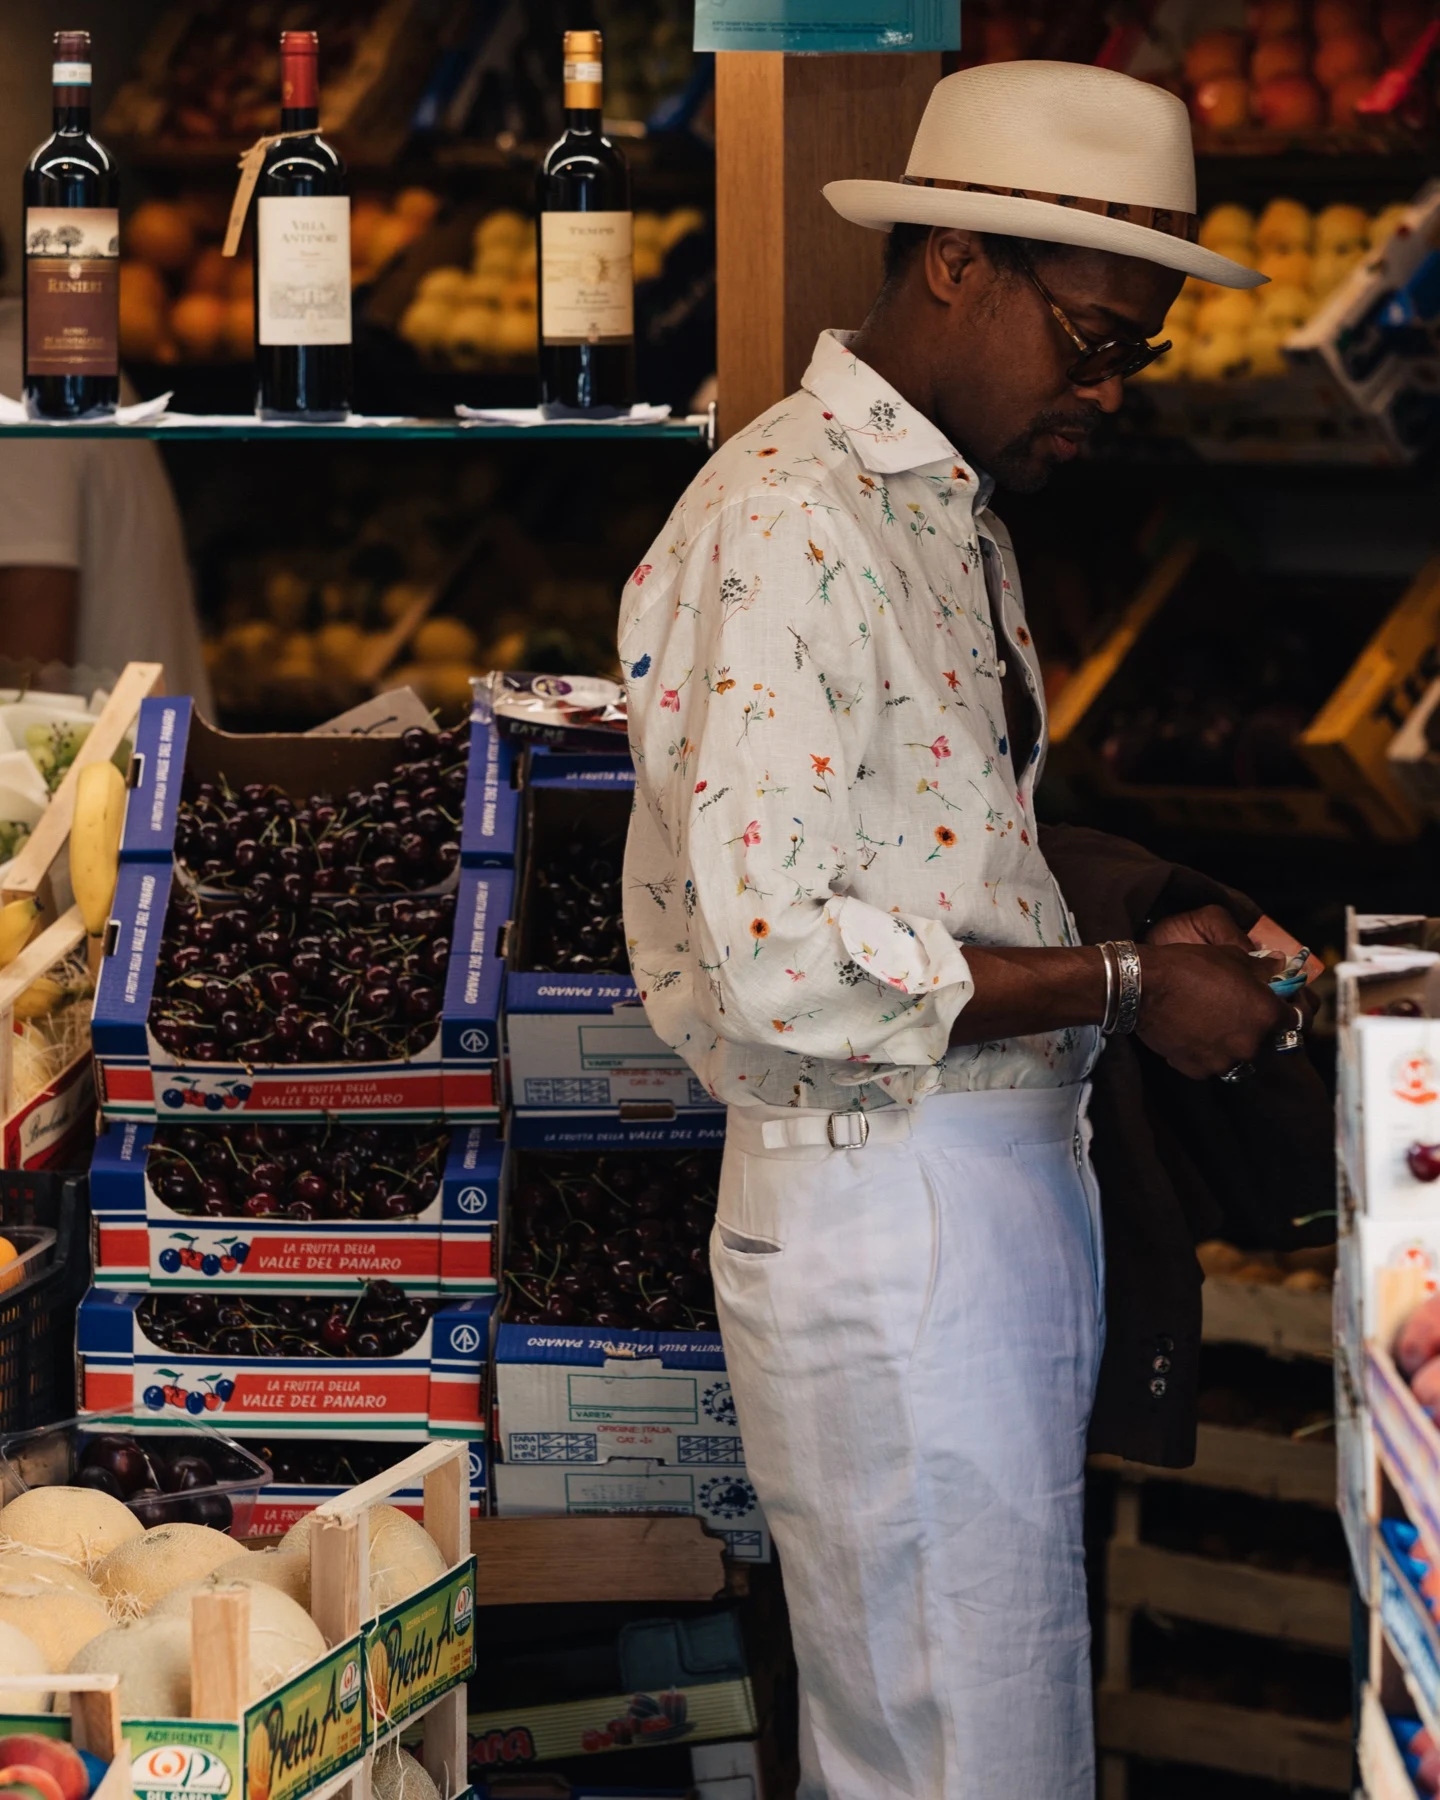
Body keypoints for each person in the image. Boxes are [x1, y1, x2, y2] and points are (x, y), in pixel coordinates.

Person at [619, 60, 1309, 1800]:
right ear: (955, 267)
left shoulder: (942, 520)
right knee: (951, 1744)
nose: (1112, 387)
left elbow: (936, 857)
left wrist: (1151, 917)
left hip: (970, 1194)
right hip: (887, 1198)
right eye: (1094, 338)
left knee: (980, 1718)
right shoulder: (788, 523)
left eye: (1137, 350)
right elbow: (788, 955)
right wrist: (1132, 985)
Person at [0, 268, 211, 707]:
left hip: (115, 766)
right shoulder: (49, 346)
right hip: (149, 759)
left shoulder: (14, 377)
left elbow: (27, 683)